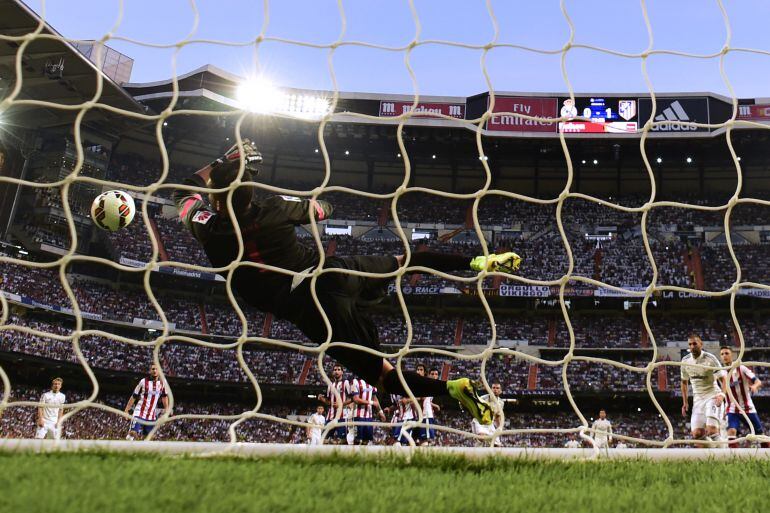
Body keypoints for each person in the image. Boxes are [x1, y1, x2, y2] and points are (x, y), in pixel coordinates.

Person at [172, 139, 522, 426]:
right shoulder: (275, 208)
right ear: (252, 190)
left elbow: (182, 194)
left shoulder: (210, 231)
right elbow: (324, 208)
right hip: (335, 273)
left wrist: (219, 165)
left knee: (384, 378)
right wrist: (251, 175)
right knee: (407, 259)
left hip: (314, 310)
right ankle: (479, 260)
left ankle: (456, 387)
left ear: (214, 199)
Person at [680, 335, 727, 447]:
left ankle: (725, 456)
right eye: (690, 344)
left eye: (695, 344)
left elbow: (723, 379)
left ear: (701, 345)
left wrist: (722, 395)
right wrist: (685, 402)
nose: (692, 346)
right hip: (698, 400)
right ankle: (713, 456)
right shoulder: (685, 361)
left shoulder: (710, 359)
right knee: (697, 434)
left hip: (713, 396)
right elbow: (684, 382)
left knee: (711, 431)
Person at [719, 346, 769, 448]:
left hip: (747, 407)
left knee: (760, 434)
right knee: (731, 431)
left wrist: (754, 386)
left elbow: (758, 381)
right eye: (722, 354)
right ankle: (733, 458)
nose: (724, 356)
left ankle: (767, 453)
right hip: (732, 408)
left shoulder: (741, 368)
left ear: (732, 355)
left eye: (726, 353)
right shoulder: (721, 373)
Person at [124, 364, 169, 440]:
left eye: (156, 369)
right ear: (150, 370)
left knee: (149, 439)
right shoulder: (143, 381)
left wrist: (166, 410)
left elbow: (164, 396)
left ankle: (139, 451)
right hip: (139, 412)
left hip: (151, 415)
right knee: (131, 434)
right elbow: (134, 396)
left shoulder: (163, 382)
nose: (155, 371)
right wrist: (126, 410)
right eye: (153, 369)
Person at [317, 364, 351, 444]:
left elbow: (352, 398)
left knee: (343, 440)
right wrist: (322, 399)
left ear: (342, 372)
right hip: (330, 416)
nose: (336, 371)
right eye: (335, 370)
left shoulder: (346, 383)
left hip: (342, 416)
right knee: (323, 439)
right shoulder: (330, 385)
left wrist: (341, 404)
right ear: (333, 372)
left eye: (339, 369)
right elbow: (329, 402)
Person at [349, 376, 385, 445]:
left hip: (369, 416)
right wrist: (371, 402)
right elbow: (356, 399)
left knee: (367, 440)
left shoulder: (373, 382)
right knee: (357, 440)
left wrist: (380, 412)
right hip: (358, 416)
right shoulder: (355, 381)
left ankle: (364, 455)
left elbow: (374, 398)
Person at [471, 382, 504, 447]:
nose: (495, 390)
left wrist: (499, 428)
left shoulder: (501, 403)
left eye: (497, 388)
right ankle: (476, 452)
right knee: (482, 437)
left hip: (490, 424)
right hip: (480, 421)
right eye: (493, 388)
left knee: (497, 446)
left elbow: (497, 416)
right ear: (490, 389)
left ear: (500, 391)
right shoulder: (482, 398)